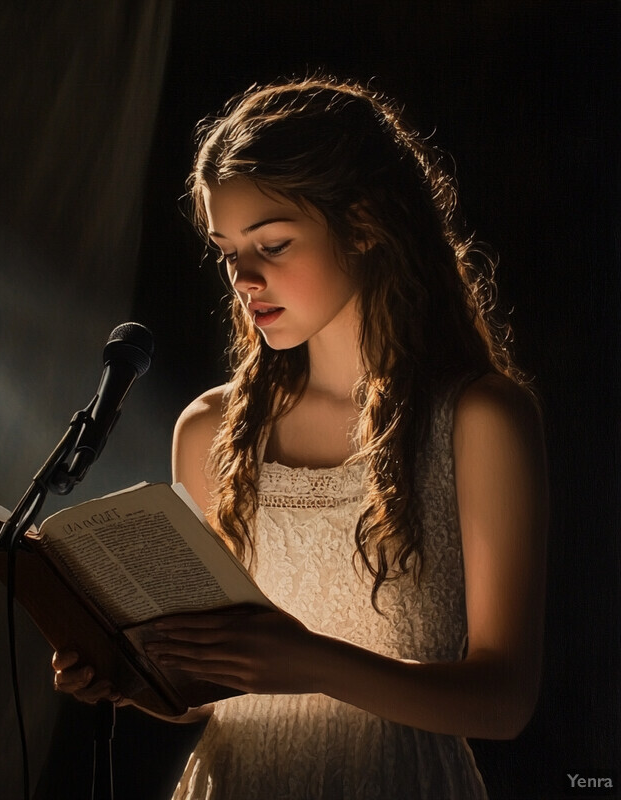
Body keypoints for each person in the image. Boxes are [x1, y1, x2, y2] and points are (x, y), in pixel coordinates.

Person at [52, 77, 548, 799]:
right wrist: (133, 676)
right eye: (226, 251)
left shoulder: (479, 419)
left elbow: (504, 702)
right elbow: (211, 691)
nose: (245, 278)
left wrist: (313, 662)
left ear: (366, 222)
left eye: (274, 243)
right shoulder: (212, 431)